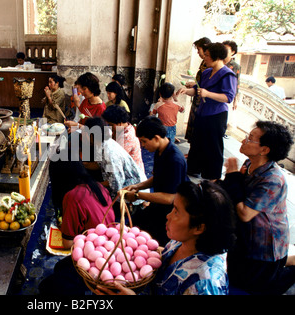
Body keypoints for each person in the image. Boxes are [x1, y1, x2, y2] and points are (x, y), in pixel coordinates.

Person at [96, 180, 236, 295]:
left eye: (176, 212)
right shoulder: (184, 240)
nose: (168, 216)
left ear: (199, 228)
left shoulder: (204, 285)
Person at [221, 121, 295, 295]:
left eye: (251, 138)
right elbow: (237, 189)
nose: (244, 140)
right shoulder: (248, 163)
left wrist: (231, 178)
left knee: (259, 288)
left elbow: (245, 213)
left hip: (266, 245)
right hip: (246, 236)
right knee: (235, 275)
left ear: (264, 150)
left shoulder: (273, 179)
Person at [39, 159, 115, 295]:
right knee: (59, 267)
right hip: (110, 247)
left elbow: (67, 243)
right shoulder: (99, 187)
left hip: (96, 259)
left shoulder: (73, 197)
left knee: (45, 287)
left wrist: (65, 228)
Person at [123, 116, 189, 246]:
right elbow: (158, 177)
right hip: (158, 204)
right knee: (135, 226)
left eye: (144, 141)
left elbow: (170, 198)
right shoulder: (160, 151)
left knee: (154, 242)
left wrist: (137, 195)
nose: (142, 146)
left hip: (171, 210)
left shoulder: (174, 160)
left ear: (157, 138)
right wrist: (137, 186)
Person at [177, 42, 237, 180]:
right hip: (202, 112)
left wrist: (208, 94)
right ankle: (193, 169)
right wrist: (187, 91)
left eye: (207, 56)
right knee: (197, 142)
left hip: (216, 115)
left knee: (213, 146)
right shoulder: (207, 72)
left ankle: (212, 176)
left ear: (217, 57)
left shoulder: (228, 75)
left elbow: (228, 97)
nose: (205, 59)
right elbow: (199, 91)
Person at [101, 105, 144, 173]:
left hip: (132, 174)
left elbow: (115, 160)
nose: (109, 127)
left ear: (119, 123)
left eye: (111, 125)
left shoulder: (127, 137)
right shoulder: (122, 128)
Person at [184, 37, 211, 143]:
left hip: (203, 101)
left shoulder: (210, 66)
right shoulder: (204, 63)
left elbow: (206, 84)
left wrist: (195, 85)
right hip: (198, 98)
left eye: (199, 49)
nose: (198, 52)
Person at [223, 40, 241, 137]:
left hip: (226, 95)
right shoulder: (219, 62)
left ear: (233, 52)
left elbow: (236, 83)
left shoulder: (235, 66)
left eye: (227, 49)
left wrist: (235, 99)